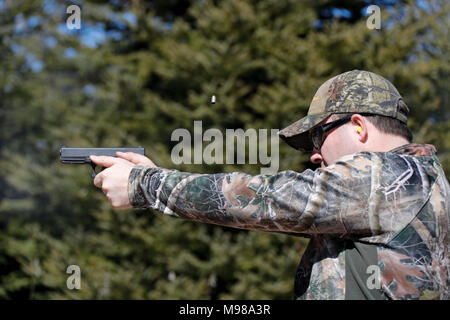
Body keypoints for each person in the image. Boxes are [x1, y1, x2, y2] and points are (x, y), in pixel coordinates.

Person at [90, 70, 449, 300]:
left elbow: (264, 200)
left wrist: (146, 184)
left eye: (317, 137)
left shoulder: (391, 175)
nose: (314, 154)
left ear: (358, 126)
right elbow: (274, 214)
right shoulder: (415, 181)